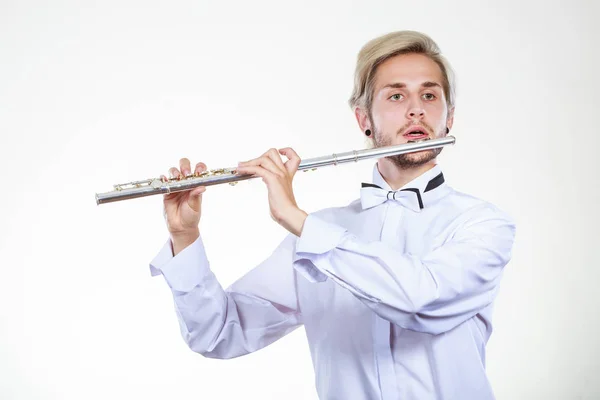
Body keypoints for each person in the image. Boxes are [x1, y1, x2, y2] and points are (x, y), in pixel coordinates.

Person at [149, 30, 516, 400]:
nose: (415, 109)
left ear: (448, 117)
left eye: (429, 95)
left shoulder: (482, 225)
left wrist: (297, 220)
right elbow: (219, 333)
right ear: (363, 120)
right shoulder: (319, 234)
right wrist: (185, 237)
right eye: (396, 95)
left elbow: (421, 299)